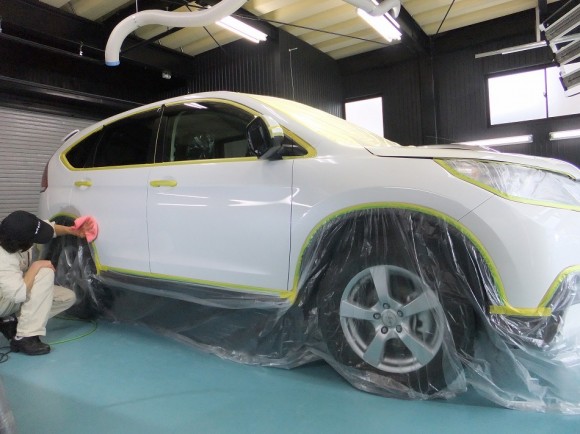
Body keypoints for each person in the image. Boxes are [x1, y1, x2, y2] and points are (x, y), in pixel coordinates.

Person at [0, 211, 91, 356]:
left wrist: (71, 231)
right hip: (7, 297)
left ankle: (10, 320)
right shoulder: (3, 259)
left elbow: (50, 229)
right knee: (44, 272)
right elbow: (18, 294)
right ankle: (25, 337)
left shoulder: (16, 232)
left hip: (11, 291)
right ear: (22, 243)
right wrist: (35, 266)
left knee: (66, 298)